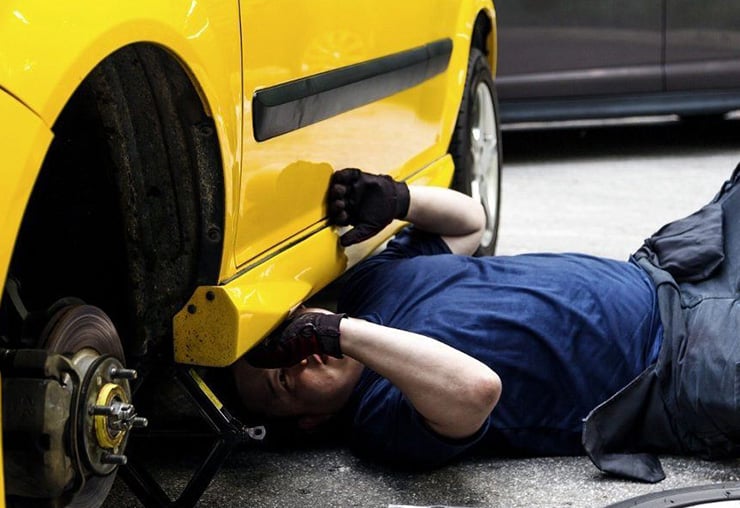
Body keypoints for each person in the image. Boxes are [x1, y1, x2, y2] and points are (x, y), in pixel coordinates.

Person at [232, 167, 740, 483]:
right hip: (684, 368)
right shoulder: (381, 417)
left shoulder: (372, 285)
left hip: (674, 269)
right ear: (310, 421)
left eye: (287, 336)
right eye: (284, 375)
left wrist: (396, 200)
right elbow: (475, 389)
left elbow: (470, 222)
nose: (303, 354)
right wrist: (337, 333)